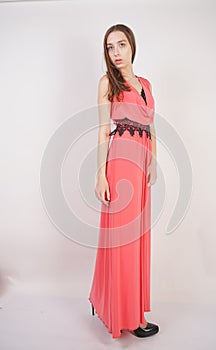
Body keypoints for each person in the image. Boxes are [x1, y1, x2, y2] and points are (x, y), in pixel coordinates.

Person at [88, 23, 159, 338]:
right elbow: (104, 128)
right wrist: (100, 172)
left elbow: (151, 125)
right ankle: (124, 314)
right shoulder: (107, 82)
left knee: (139, 239)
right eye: (109, 47)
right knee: (125, 240)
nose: (115, 52)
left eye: (121, 45)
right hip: (120, 165)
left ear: (132, 46)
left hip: (141, 166)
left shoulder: (145, 83)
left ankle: (130, 308)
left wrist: (153, 160)